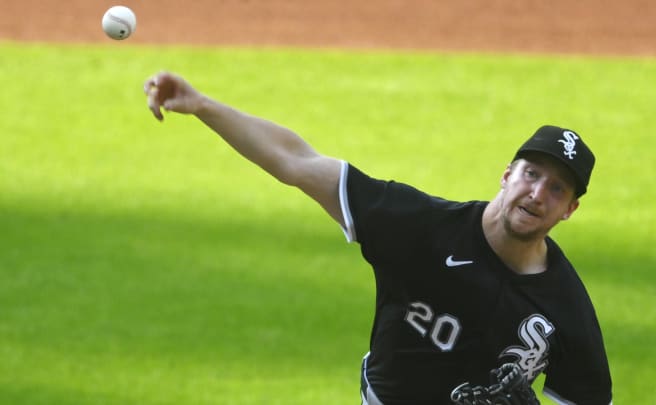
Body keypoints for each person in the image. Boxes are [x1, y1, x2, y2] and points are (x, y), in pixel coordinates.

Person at [144, 71, 613, 405]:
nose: (536, 194)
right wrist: (203, 105)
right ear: (507, 174)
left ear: (569, 210)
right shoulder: (418, 226)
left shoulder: (565, 307)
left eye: (557, 189)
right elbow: (297, 162)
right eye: (531, 174)